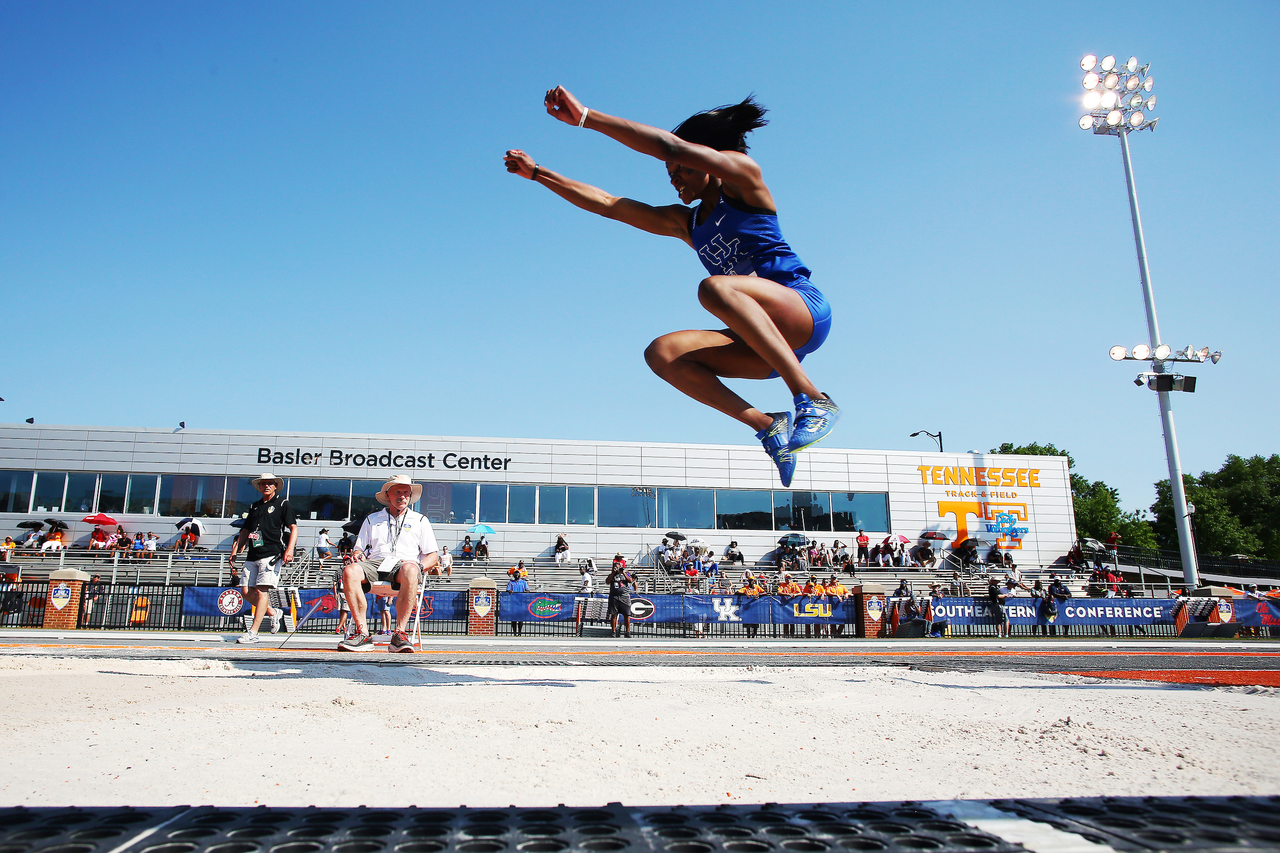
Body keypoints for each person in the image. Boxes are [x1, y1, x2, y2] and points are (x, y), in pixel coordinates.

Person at [506, 88, 839, 489]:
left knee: (714, 289)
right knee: (662, 353)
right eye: (669, 175)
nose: (675, 180)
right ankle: (768, 426)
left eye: (680, 169)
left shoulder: (743, 177)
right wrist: (539, 174)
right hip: (763, 346)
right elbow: (609, 204)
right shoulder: (688, 223)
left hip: (800, 311)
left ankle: (812, 397)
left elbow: (668, 144)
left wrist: (586, 118)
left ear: (707, 161)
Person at [338, 475, 441, 653]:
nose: (402, 496)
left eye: (406, 493)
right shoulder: (372, 519)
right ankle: (362, 633)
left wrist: (419, 567)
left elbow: (433, 555)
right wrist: (357, 554)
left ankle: (399, 634)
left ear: (410, 496)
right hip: (375, 563)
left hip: (403, 565)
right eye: (398, 492)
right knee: (350, 571)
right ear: (388, 495)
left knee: (410, 568)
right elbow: (359, 548)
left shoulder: (420, 520)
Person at [227, 473, 296, 643]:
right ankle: (273, 612)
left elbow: (293, 527)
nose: (266, 486)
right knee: (245, 591)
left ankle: (253, 632)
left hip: (271, 552)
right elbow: (245, 530)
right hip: (253, 553)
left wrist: (290, 550)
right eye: (263, 484)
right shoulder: (255, 506)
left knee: (261, 590)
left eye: (270, 483)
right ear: (259, 486)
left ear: (275, 486)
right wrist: (236, 550)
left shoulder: (282, 503)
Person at [607, 560, 635, 638]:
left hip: (624, 596)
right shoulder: (611, 575)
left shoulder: (625, 574)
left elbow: (630, 580)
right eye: (615, 566)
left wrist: (623, 573)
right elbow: (607, 581)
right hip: (614, 596)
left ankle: (627, 631)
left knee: (627, 615)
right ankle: (613, 631)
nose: (616, 568)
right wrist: (613, 573)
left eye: (618, 566)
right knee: (614, 614)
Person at [506, 570, 530, 635]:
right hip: (513, 602)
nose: (516, 576)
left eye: (517, 575)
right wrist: (509, 590)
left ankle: (519, 631)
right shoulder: (511, 582)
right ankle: (514, 632)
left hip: (521, 602)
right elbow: (508, 589)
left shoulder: (523, 582)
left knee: (520, 618)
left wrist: (527, 592)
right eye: (515, 575)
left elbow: (527, 589)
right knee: (513, 618)